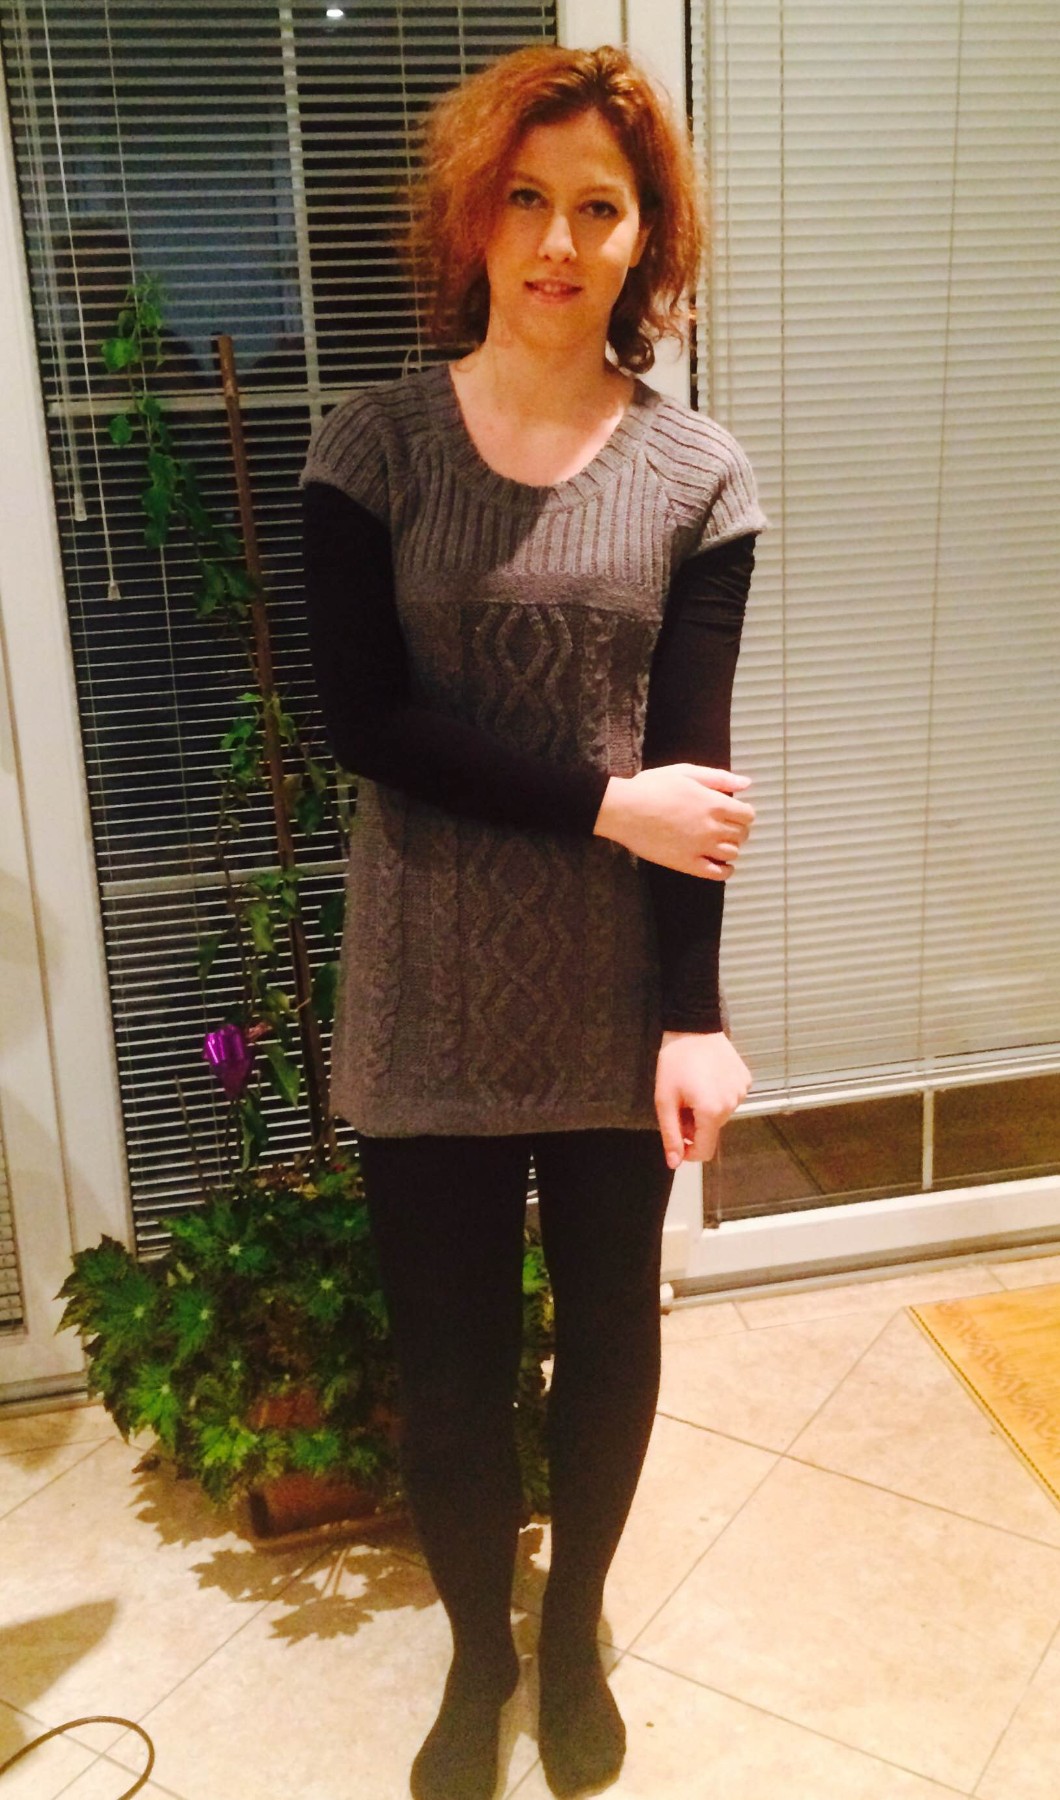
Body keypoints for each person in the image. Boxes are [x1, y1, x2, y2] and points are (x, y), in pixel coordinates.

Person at [298, 43, 767, 1800]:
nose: (559, 242)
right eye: (528, 199)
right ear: (474, 216)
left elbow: (692, 785)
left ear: (647, 240)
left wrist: (693, 1016)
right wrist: (601, 804)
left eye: (600, 208)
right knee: (449, 1362)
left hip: (612, 995)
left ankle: (570, 1636)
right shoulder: (375, 447)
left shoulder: (699, 474)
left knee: (611, 1338)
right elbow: (367, 723)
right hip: (424, 982)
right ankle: (477, 1652)